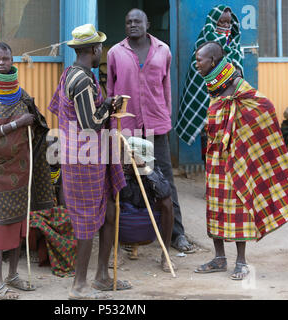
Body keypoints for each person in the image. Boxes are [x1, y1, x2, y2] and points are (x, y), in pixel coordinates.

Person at [193, 41, 288, 280]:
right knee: (215, 207)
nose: (197, 64)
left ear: (212, 61)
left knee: (239, 206)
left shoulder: (237, 85)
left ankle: (241, 261)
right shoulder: (213, 84)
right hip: (215, 157)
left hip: (237, 157)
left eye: (200, 60)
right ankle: (219, 257)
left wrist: (243, 138)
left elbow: (264, 106)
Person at [48, 24, 131, 300]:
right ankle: (79, 285)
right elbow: (89, 124)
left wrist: (105, 104)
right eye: (100, 48)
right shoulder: (82, 80)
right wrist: (108, 105)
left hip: (89, 155)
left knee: (108, 211)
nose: (101, 52)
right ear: (94, 49)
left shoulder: (73, 74)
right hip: (83, 159)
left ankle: (102, 277)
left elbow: (59, 109)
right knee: (85, 221)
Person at [107, 8, 194, 253]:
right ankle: (128, 234)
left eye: (137, 21)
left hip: (156, 124)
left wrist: (165, 117)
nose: (132, 24)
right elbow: (111, 91)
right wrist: (115, 126)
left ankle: (177, 234)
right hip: (127, 127)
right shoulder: (115, 53)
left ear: (148, 23)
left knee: (165, 179)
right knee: (127, 180)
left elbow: (166, 88)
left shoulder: (163, 51)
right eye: (128, 21)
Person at [0, 42, 54, 299]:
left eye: (5, 59)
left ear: (12, 61)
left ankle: (13, 274)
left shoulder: (21, 94)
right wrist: (17, 123)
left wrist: (33, 121)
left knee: (19, 221)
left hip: (21, 167)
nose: (1, 63)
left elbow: (38, 122)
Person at [175, 5, 243, 156]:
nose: (225, 26)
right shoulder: (205, 39)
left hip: (227, 98)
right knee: (208, 136)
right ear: (213, 22)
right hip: (207, 98)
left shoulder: (233, 42)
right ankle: (209, 168)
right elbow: (197, 68)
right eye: (221, 23)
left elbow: (238, 68)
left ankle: (222, 171)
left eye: (228, 23)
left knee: (226, 137)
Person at [118, 136, 175, 272]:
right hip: (125, 218)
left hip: (146, 218)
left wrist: (145, 169)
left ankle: (165, 254)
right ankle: (115, 253)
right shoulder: (119, 169)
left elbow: (164, 191)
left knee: (167, 202)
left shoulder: (150, 168)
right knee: (108, 204)